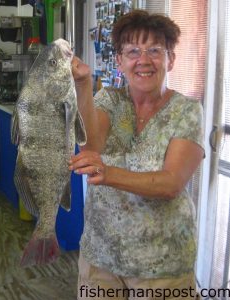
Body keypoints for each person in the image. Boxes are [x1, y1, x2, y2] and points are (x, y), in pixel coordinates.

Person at [70, 9, 204, 300]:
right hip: (101, 257)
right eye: (133, 51)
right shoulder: (109, 99)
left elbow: (171, 184)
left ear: (171, 59)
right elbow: (91, 145)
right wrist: (83, 84)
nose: (143, 60)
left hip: (163, 265)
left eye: (155, 50)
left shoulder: (186, 111)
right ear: (119, 61)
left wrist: (108, 172)